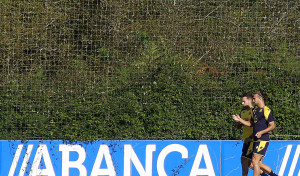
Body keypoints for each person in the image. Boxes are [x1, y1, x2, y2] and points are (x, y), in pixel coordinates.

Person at [233, 91, 278, 176]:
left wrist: (261, 132)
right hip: (255, 139)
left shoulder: (266, 110)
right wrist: (240, 120)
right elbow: (252, 124)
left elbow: (272, 126)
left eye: (254, 98)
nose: (253, 100)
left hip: (263, 139)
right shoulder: (256, 111)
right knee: (257, 163)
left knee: (254, 161)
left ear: (260, 98)